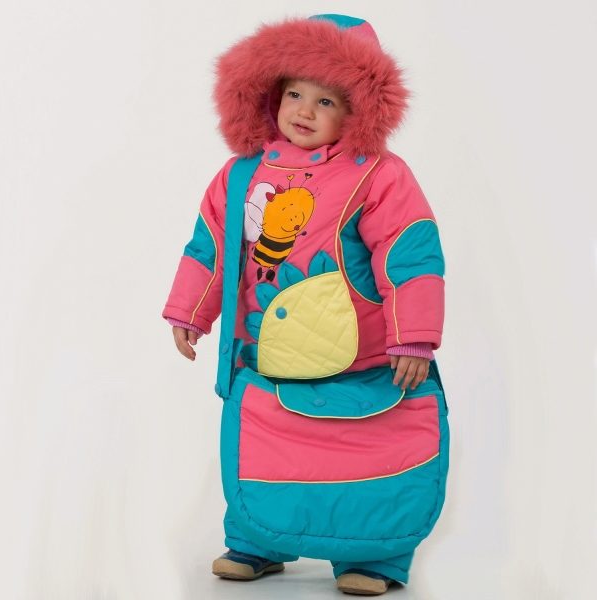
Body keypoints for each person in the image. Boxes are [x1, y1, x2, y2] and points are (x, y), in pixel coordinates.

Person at [162, 13, 447, 596]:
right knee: (263, 440)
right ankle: (257, 541)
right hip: (267, 353)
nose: (304, 111)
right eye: (294, 93)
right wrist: (190, 311)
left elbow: (410, 253)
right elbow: (211, 245)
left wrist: (413, 334)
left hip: (361, 357)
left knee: (365, 447)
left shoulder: (379, 176)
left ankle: (377, 554)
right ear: (270, 96)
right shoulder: (242, 176)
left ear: (358, 111)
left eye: (326, 101)